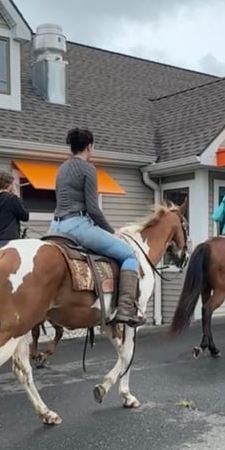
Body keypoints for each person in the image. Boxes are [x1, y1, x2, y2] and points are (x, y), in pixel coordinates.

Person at [49, 127, 142, 326]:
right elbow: (93, 209)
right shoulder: (88, 169)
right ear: (89, 147)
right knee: (129, 255)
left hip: (55, 228)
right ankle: (126, 309)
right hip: (77, 227)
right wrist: (111, 231)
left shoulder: (62, 168)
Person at [0, 170, 29, 247]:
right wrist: (17, 197)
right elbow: (25, 216)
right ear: (10, 184)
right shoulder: (12, 199)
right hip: (10, 241)